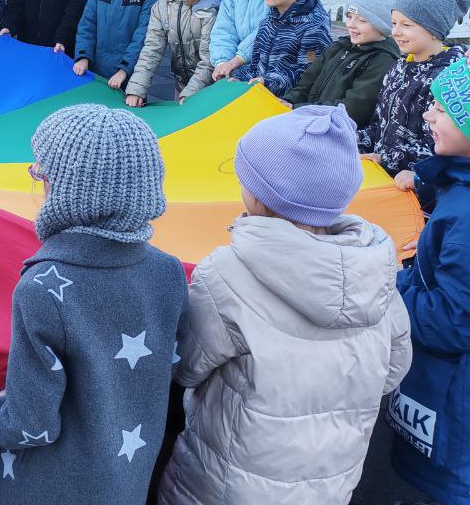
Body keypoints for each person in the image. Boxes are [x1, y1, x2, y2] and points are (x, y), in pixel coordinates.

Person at [159, 105, 411, 505]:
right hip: (332, 480)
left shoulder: (227, 274)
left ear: (259, 195)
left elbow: (188, 367)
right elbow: (393, 368)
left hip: (227, 482)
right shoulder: (375, 269)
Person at [0, 104, 185, 505]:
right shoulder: (169, 271)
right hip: (126, 481)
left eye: (41, 173)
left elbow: (30, 424)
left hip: (48, 490)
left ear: (64, 189)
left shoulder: (41, 290)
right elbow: (165, 366)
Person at [388, 57, 470, 503]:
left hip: (457, 413)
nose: (426, 114)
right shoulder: (457, 190)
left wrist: (394, 280)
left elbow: (450, 322)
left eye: (441, 108)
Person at [358, 0, 470, 191]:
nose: (395, 32)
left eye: (406, 25)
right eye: (394, 23)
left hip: (412, 185)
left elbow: (438, 146)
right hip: (378, 172)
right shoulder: (397, 68)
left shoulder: (445, 80)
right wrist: (352, 141)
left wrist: (385, 158)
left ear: (434, 31)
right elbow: (379, 123)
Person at [283, 0, 401, 125]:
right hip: (308, 119)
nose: (350, 24)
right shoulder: (338, 48)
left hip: (333, 129)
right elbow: (305, 84)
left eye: (361, 20)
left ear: (382, 25)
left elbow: (353, 108)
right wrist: (288, 101)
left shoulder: (382, 60)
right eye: (349, 17)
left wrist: (298, 109)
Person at [125, 0, 221, 106]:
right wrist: (137, 89)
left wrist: (191, 92)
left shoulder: (208, 9)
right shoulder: (161, 7)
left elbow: (209, 59)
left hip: (209, 87)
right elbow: (152, 49)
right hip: (181, 84)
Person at [231, 0, 332, 98]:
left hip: (288, 103)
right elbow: (255, 65)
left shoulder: (312, 28)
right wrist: (240, 79)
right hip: (259, 96)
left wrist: (268, 83)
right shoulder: (267, 23)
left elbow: (309, 74)